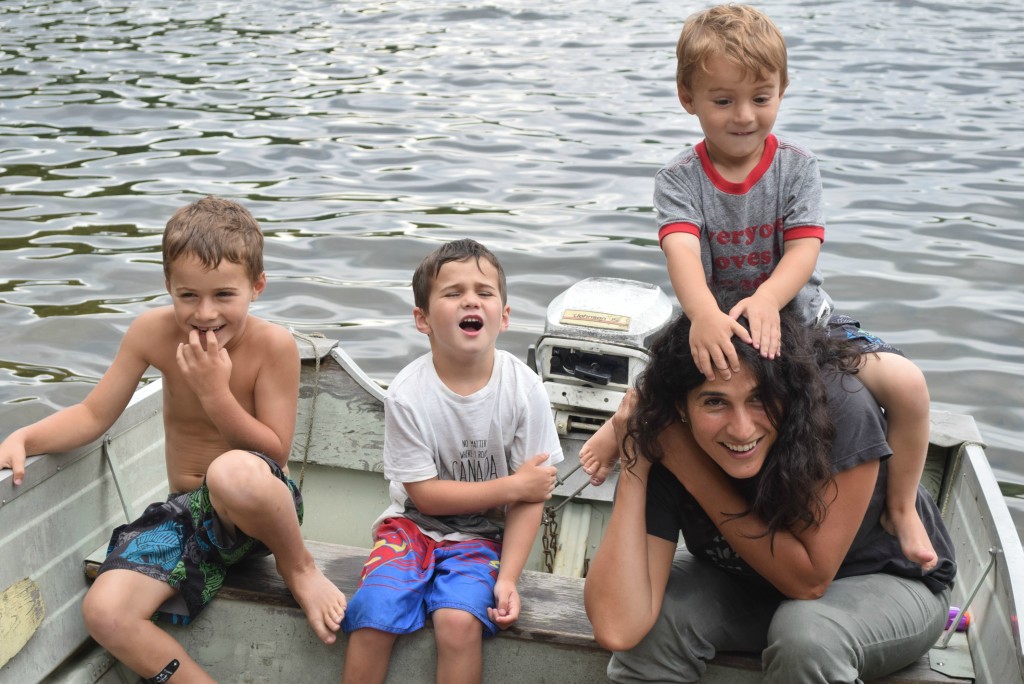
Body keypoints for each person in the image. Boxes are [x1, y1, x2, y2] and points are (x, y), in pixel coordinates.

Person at [579, 2, 937, 571]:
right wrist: (701, 313)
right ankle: (620, 422)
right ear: (687, 97)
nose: (744, 115)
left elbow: (803, 249)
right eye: (723, 101)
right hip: (714, 316)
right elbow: (681, 250)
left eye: (761, 97)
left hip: (803, 323)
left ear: (782, 90)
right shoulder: (679, 179)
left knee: (910, 386)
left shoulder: (796, 167)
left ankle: (900, 508)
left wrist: (770, 297)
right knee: (663, 383)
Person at [0, 196, 347, 684]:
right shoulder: (151, 333)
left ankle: (302, 569)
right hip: (187, 516)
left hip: (263, 514)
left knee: (229, 470)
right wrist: (25, 437)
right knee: (104, 612)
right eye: (188, 296)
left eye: (224, 295)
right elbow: (94, 414)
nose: (204, 314)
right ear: (169, 287)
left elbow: (274, 452)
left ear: (257, 287)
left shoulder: (274, 347)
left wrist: (214, 394)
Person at [583, 301, 956, 683]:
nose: (742, 430)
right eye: (715, 402)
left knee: (806, 636)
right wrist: (634, 458)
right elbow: (618, 628)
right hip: (750, 582)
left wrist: (690, 468)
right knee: (655, 619)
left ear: (787, 391)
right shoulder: (667, 433)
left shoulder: (841, 409)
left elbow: (809, 582)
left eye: (760, 398)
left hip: (887, 580)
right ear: (681, 407)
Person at [340, 238, 563, 684]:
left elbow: (532, 497)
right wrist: (510, 487)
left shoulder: (525, 389)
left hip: (483, 537)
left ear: (504, 315)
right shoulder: (408, 392)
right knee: (371, 612)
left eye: (484, 291)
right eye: (452, 292)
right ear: (422, 319)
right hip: (411, 526)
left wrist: (510, 579)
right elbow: (424, 495)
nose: (470, 300)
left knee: (458, 622)